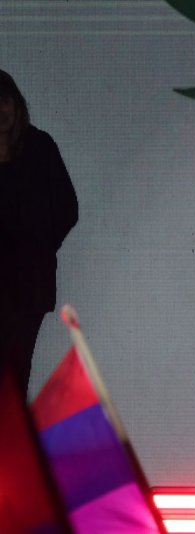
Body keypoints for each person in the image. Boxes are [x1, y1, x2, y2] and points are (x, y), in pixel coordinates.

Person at [0, 69, 78, 398]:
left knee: (15, 374)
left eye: (4, 101)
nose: (0, 111)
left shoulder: (39, 147)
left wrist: (40, 248)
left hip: (26, 285)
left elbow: (67, 209)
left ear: (17, 105)